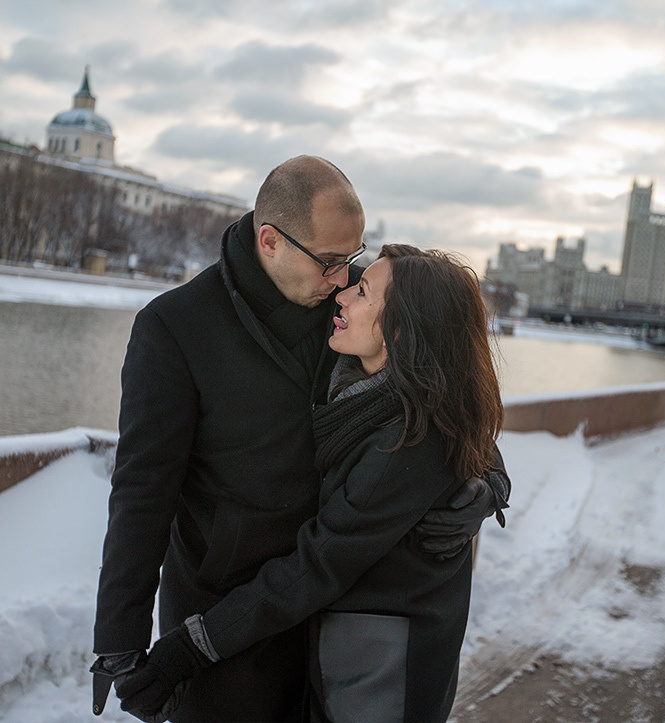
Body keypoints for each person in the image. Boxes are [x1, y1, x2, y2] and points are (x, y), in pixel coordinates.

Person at [91, 157, 509, 722]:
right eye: (332, 263)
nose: (342, 282)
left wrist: (481, 485)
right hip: (223, 620)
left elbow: (440, 392)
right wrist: (119, 635)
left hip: (325, 611)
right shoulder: (175, 328)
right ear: (270, 241)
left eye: (352, 263)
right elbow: (142, 491)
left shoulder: (340, 312)